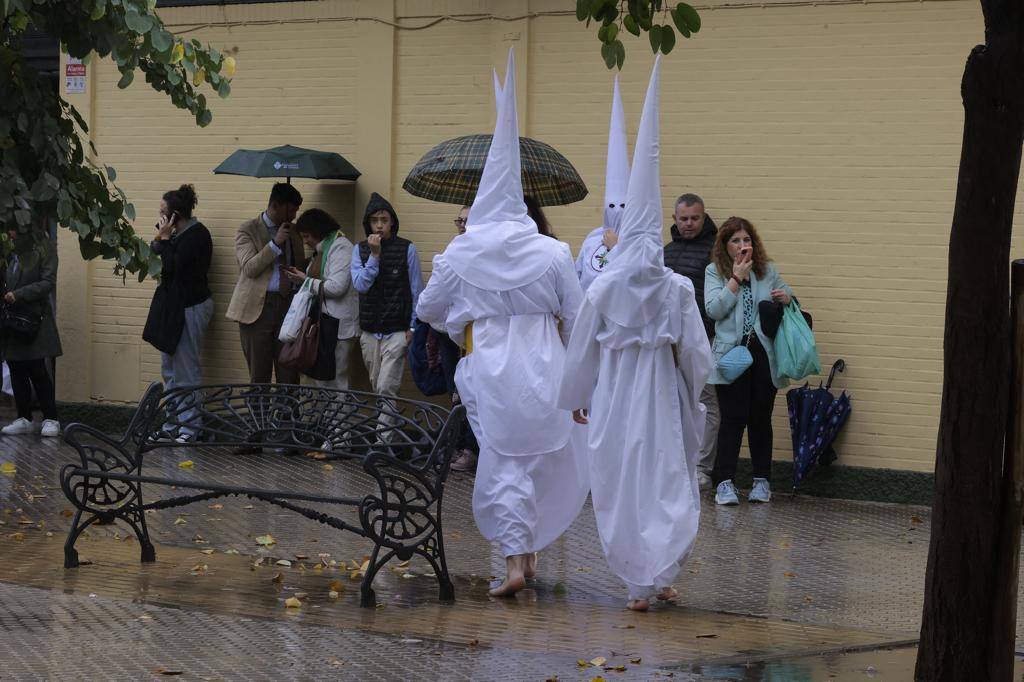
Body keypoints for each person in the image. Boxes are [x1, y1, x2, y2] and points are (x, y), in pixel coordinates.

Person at [416, 49, 588, 597]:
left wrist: (462, 318)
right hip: (546, 367)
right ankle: (527, 556)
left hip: (489, 366)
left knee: (505, 461)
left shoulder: (461, 253)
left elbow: (428, 310)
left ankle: (517, 561)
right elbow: (577, 314)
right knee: (535, 460)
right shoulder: (554, 252)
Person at [559, 57, 713, 612]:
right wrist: (694, 390)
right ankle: (658, 572)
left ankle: (640, 581)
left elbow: (583, 347)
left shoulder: (603, 288)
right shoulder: (674, 288)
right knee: (663, 476)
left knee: (623, 477)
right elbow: (695, 354)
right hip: (660, 396)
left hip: (618, 397)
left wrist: (579, 395)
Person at [704, 216, 794, 506]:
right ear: (725, 246)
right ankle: (724, 482)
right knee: (732, 418)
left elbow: (789, 296)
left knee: (760, 419)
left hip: (763, 354)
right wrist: (735, 279)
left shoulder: (768, 271)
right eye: (736, 241)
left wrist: (786, 299)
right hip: (731, 354)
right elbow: (714, 310)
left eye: (747, 240)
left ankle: (761, 481)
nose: (743, 246)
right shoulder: (714, 272)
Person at [142, 184, 214, 443]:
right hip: (173, 308)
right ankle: (173, 424)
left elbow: (173, 266)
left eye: (163, 212)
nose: (159, 216)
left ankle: (190, 429)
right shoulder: (174, 236)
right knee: (169, 369)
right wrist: (162, 239)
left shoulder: (197, 236)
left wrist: (164, 239)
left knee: (186, 371)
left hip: (190, 307)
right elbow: (157, 261)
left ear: (175, 215)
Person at [351, 192, 423, 432]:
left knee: (386, 387)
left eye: (384, 219)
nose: (379, 225)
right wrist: (374, 256)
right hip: (370, 331)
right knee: (378, 387)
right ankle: (393, 430)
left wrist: (413, 327)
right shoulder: (359, 250)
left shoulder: (407, 249)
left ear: (392, 221)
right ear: (368, 224)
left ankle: (383, 442)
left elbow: (416, 289)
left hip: (396, 331)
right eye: (374, 220)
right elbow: (360, 284)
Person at [664, 193, 719, 491]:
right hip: (669, 342)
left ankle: (702, 468)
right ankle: (676, 463)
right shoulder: (665, 252)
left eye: (694, 218)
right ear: (674, 219)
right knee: (672, 400)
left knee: (706, 400)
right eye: (683, 219)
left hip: (705, 339)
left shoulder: (716, 251)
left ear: (704, 216)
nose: (688, 224)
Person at [225, 183, 307, 384]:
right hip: (257, 311)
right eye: (292, 209)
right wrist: (274, 244)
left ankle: (287, 416)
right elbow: (249, 268)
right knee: (259, 374)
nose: (295, 215)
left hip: (288, 306)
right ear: (276, 205)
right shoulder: (248, 230)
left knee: (289, 370)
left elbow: (300, 264)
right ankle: (259, 416)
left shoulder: (293, 232)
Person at [284, 208, 358, 389]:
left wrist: (305, 280)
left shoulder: (341, 247)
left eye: (307, 236)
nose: (305, 241)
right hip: (323, 324)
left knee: (336, 377)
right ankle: (325, 416)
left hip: (338, 326)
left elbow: (336, 287)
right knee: (322, 377)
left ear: (319, 231)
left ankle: (338, 416)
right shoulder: (321, 250)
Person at [0, 229, 62, 437]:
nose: (10, 231)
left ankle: (50, 418)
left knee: (37, 368)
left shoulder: (43, 247)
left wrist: (18, 295)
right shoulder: (9, 248)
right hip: (11, 318)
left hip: (33, 319)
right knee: (16, 366)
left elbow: (47, 282)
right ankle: (23, 417)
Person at [436, 206, 480, 473]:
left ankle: (472, 449)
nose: (462, 225)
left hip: (474, 335)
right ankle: (459, 444)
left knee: (474, 395)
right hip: (450, 333)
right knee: (456, 393)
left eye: (467, 220)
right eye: (459, 220)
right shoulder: (453, 249)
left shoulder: (483, 252)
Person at [576, 75, 629, 293]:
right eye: (612, 206)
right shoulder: (591, 238)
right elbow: (577, 275)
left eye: (623, 206)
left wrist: (617, 248)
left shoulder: (639, 239)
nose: (616, 211)